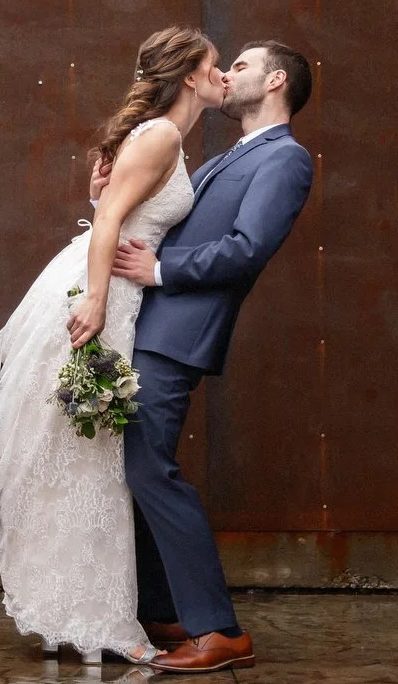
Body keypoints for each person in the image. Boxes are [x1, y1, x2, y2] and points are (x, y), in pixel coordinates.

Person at [0, 26, 226, 665]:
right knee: (89, 457)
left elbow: (109, 202)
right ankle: (98, 617)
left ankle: (93, 611)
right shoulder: (165, 135)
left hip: (118, 288)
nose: (223, 77)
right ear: (192, 75)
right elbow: (111, 220)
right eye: (217, 66)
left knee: (95, 459)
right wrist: (94, 298)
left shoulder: (159, 138)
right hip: (107, 291)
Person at [102, 40, 314, 673]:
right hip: (147, 325)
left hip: (179, 333)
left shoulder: (287, 160)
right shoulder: (230, 156)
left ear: (276, 81)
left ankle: (220, 630)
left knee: (149, 470)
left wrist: (161, 271)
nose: (228, 73)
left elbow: (248, 249)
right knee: (134, 470)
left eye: (242, 65)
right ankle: (165, 611)